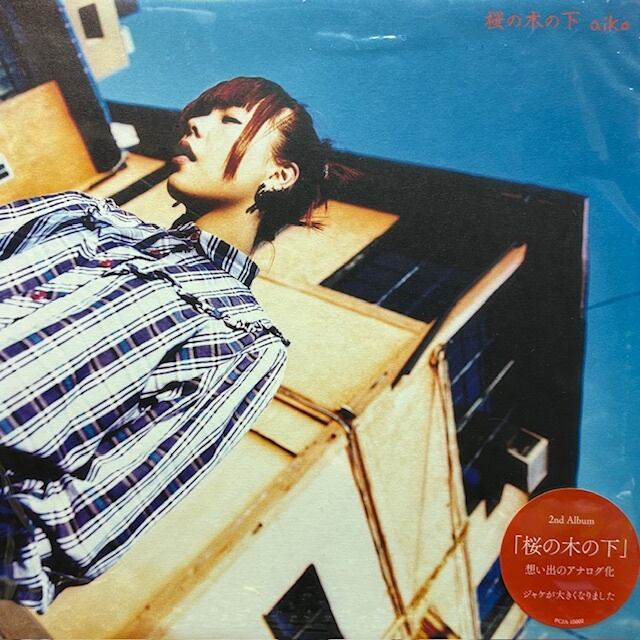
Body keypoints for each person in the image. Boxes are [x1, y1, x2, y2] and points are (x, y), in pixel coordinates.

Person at [0, 76, 353, 613]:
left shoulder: (245, 341)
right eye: (201, 114)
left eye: (230, 121)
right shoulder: (79, 217)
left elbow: (83, 526)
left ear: (278, 175)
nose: (194, 124)